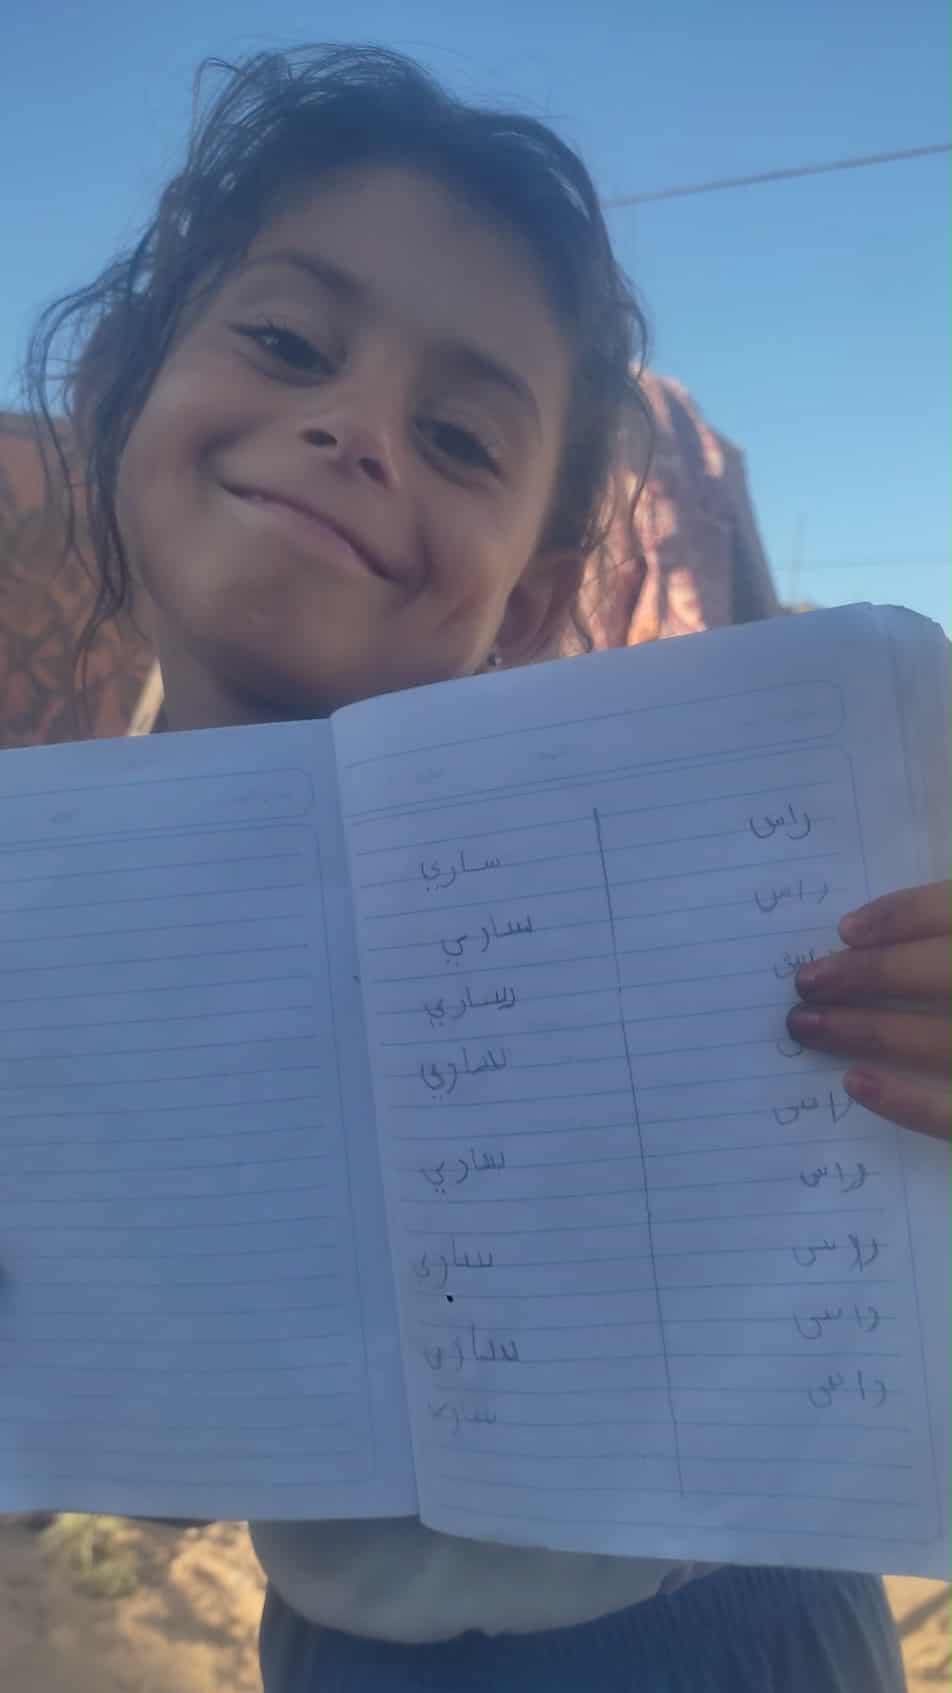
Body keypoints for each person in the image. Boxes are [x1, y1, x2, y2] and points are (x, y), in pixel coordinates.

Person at [19, 44, 949, 1692]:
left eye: (458, 437)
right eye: (288, 341)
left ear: (526, 596)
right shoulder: (53, 920)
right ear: (121, 390)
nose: (357, 431)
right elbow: (166, 1457)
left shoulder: (708, 840)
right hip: (341, 1650)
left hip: (741, 1632)